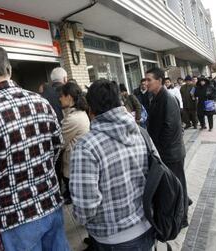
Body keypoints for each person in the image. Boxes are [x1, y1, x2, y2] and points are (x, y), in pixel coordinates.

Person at [0, 46, 70, 251]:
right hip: (51, 202)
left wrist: (2, 194)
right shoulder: (41, 102)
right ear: (8, 69)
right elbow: (57, 145)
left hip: (15, 217)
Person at [70, 79, 155, 250]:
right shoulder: (141, 133)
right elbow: (156, 175)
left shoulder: (86, 146)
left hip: (112, 239)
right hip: (148, 227)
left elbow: (85, 208)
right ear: (120, 102)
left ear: (90, 109)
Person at [145, 67, 189, 227]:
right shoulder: (156, 97)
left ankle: (182, 218)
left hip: (171, 154)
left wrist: (159, 152)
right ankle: (176, 214)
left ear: (160, 81)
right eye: (145, 80)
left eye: (149, 79)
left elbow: (170, 129)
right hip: (164, 153)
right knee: (172, 187)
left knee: (177, 186)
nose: (146, 83)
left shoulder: (168, 98)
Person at [59, 82, 90, 205]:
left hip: (73, 165)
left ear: (69, 97)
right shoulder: (77, 113)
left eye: (62, 95)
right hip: (75, 161)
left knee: (76, 199)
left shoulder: (73, 118)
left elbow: (60, 142)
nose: (59, 98)